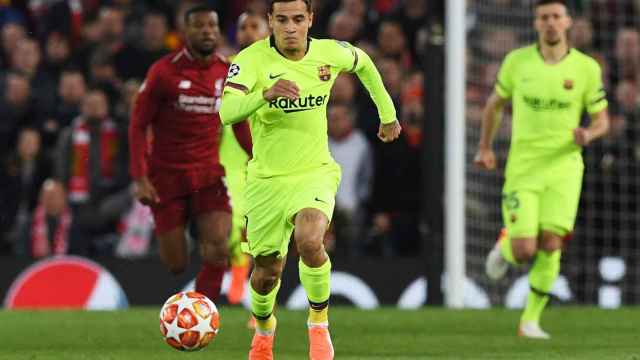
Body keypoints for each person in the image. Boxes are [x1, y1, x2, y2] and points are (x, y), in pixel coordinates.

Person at [219, 0, 401, 358]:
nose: (290, 27)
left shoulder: (328, 53)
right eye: (282, 20)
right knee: (267, 271)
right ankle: (264, 329)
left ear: (310, 20)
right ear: (270, 21)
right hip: (267, 180)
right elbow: (226, 112)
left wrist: (388, 113)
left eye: (298, 19)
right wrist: (264, 94)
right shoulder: (251, 60)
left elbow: (363, 62)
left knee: (309, 239)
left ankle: (318, 325)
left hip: (314, 172)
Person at [475, 0, 610, 339]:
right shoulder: (517, 62)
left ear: (568, 23)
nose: (550, 23)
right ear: (536, 23)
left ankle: (529, 321)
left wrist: (588, 134)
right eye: (544, 17)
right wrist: (485, 147)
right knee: (523, 251)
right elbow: (495, 105)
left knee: (551, 243)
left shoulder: (586, 68)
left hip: (565, 167)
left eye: (556, 17)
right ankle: (503, 247)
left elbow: (602, 120)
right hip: (524, 167)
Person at [128, 5, 252, 302]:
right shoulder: (163, 72)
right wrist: (140, 177)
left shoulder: (226, 72)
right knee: (176, 264)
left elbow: (238, 124)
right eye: (200, 26)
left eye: (213, 25)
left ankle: (202, 313)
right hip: (167, 177)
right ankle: (189, 234)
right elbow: (137, 125)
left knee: (220, 247)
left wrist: (259, 157)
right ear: (186, 32)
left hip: (208, 173)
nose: (208, 31)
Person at [221, 10, 269, 306]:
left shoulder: (279, 68)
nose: (248, 31)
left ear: (267, 31)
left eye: (255, 26)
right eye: (243, 27)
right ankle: (239, 271)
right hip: (230, 156)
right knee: (235, 220)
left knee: (263, 227)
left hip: (266, 153)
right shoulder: (223, 68)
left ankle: (260, 299)